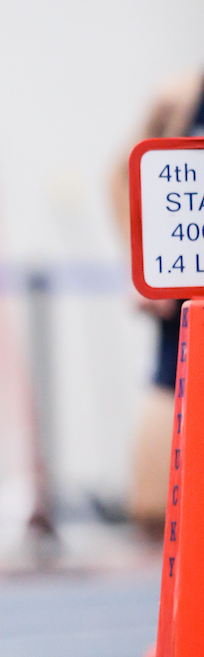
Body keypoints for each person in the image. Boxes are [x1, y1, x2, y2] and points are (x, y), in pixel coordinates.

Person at [111, 71, 204, 534]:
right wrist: (142, 261)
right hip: (188, 292)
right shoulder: (182, 96)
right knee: (152, 509)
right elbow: (125, 168)